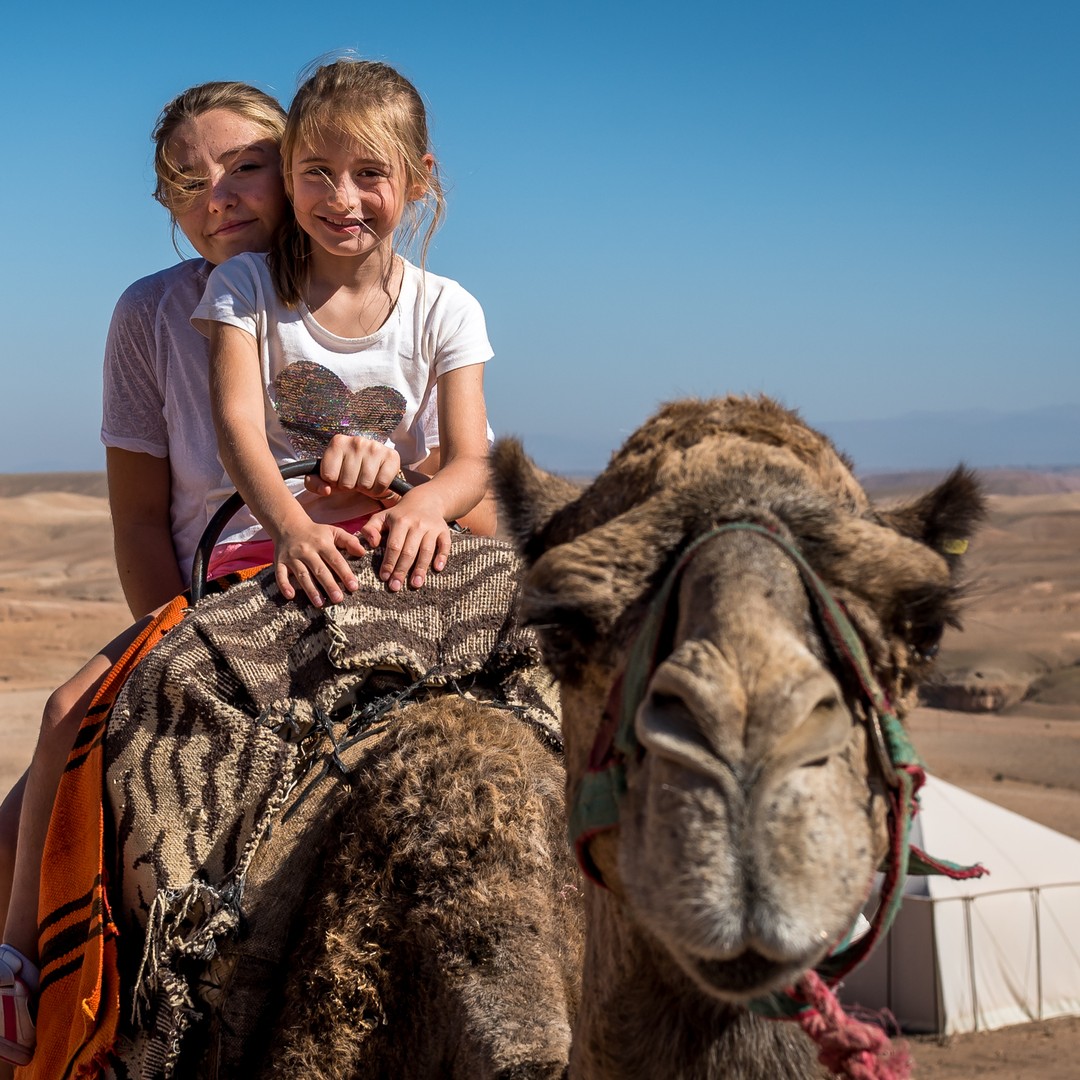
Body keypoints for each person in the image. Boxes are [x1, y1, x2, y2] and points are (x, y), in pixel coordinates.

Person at [0, 81, 289, 1070]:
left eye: (246, 165)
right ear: (168, 207)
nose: (219, 192)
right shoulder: (150, 314)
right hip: (212, 606)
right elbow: (134, 514)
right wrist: (179, 631)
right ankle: (24, 992)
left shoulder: (363, 292)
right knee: (50, 766)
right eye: (189, 180)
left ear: (297, 168)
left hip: (355, 587)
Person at [194, 58, 492, 608]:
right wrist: (290, 528)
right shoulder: (244, 287)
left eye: (370, 173)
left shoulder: (449, 309)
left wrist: (423, 506)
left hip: (394, 537)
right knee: (71, 702)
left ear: (419, 177)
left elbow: (470, 460)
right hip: (264, 542)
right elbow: (236, 427)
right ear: (288, 176)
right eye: (317, 172)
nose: (341, 198)